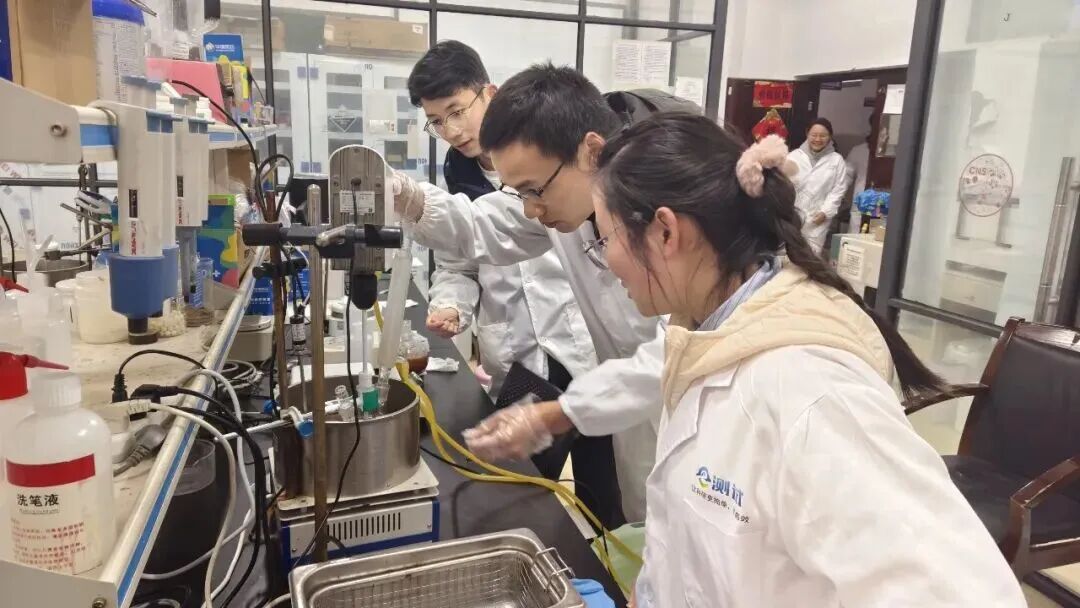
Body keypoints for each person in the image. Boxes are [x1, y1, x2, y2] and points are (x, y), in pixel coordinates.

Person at [593, 114, 1026, 607]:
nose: (605, 261)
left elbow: (959, 594)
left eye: (605, 239)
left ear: (666, 232)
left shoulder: (811, 390)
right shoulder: (705, 336)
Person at [394, 64, 678, 523]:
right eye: (437, 121)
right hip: (624, 412)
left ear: (591, 151)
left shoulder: (666, 220)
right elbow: (482, 225)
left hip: (683, 426)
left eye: (533, 190)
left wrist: (560, 413)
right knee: (637, 524)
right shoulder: (570, 202)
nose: (530, 209)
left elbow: (677, 352)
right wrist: (404, 195)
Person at [406, 41, 596, 400]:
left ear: (489, 94)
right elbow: (459, 262)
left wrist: (406, 198)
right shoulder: (458, 176)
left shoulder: (548, 157)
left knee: (586, 424)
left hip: (572, 341)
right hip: (513, 351)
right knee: (514, 436)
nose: (451, 131)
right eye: (436, 122)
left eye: (456, 111)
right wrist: (451, 304)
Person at [788, 117, 848, 254]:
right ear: (807, 134)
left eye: (823, 135)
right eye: (814, 135)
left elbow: (838, 190)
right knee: (787, 256)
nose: (818, 139)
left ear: (830, 137)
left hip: (818, 219)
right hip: (792, 216)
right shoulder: (793, 157)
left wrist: (825, 212)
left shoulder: (837, 161)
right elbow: (782, 186)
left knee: (811, 256)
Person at [845, 115, 874, 233]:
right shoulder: (858, 150)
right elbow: (845, 178)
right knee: (856, 236)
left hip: (883, 204)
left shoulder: (894, 153)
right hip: (860, 202)